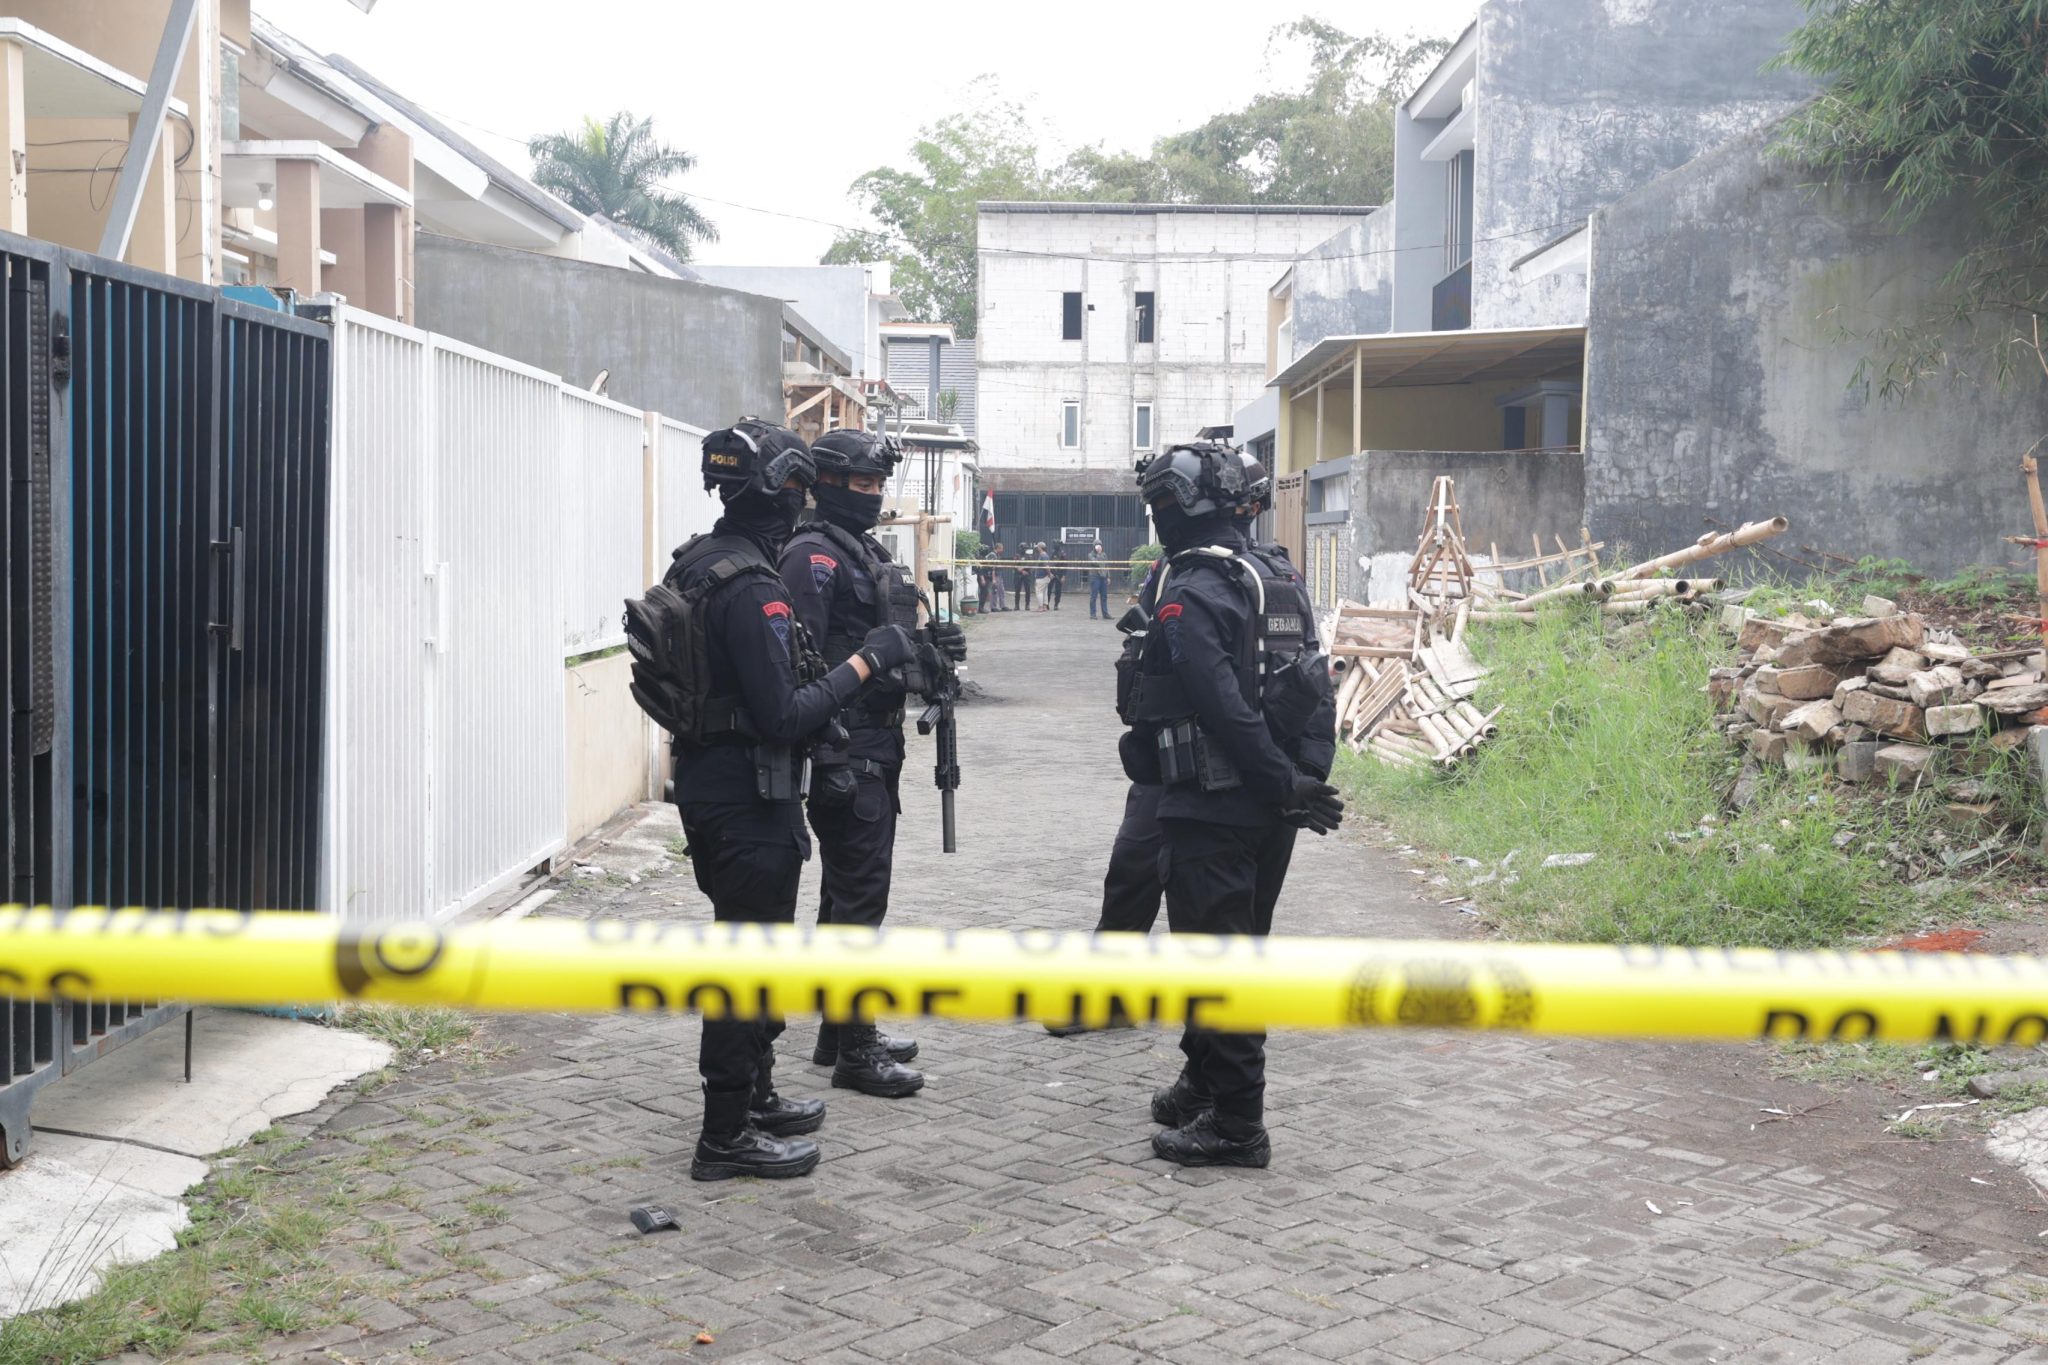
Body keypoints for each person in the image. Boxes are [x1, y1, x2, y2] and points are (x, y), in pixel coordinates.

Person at [666, 418, 919, 1181]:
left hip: (715, 788)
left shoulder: (702, 561)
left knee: (756, 956)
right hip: (746, 797)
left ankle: (757, 1097)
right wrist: (866, 667)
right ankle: (724, 1134)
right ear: (783, 491)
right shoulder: (752, 586)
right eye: (802, 488)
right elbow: (784, 710)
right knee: (748, 965)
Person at [1123, 440, 1344, 1169]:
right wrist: (1303, 779)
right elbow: (1316, 679)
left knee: (1221, 968)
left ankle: (1238, 1124)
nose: (1158, 516)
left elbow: (1224, 709)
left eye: (1162, 504)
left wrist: (1286, 783)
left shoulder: (1194, 588)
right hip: (1269, 806)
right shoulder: (1274, 573)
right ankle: (1206, 1080)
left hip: (1217, 805)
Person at [779, 429, 964, 1097]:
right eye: (861, 484)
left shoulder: (859, 550)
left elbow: (885, 643)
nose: (874, 495)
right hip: (843, 749)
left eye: (878, 485)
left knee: (845, 892)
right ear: (827, 484)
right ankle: (857, 1052)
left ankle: (839, 1030)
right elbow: (802, 660)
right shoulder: (813, 556)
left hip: (876, 744)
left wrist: (931, 649)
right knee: (860, 896)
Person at [1088, 543, 1111, 619]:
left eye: (1100, 545)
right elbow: (1096, 563)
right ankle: (1093, 614)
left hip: (1103, 577)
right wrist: (1098, 554)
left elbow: (1106, 565)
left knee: (1104, 596)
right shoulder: (1091, 555)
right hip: (1095, 577)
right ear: (1094, 547)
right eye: (1097, 545)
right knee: (1093, 596)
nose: (1099, 547)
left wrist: (1108, 577)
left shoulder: (1104, 554)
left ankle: (1105, 614)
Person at [1047, 546, 1065, 611]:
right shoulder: (1051, 553)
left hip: (1059, 574)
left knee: (1058, 591)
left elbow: (1065, 565)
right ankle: (1047, 604)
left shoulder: (1062, 554)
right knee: (1048, 590)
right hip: (1051, 574)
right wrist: (1049, 573)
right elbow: (1048, 563)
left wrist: (1063, 576)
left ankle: (1056, 605)